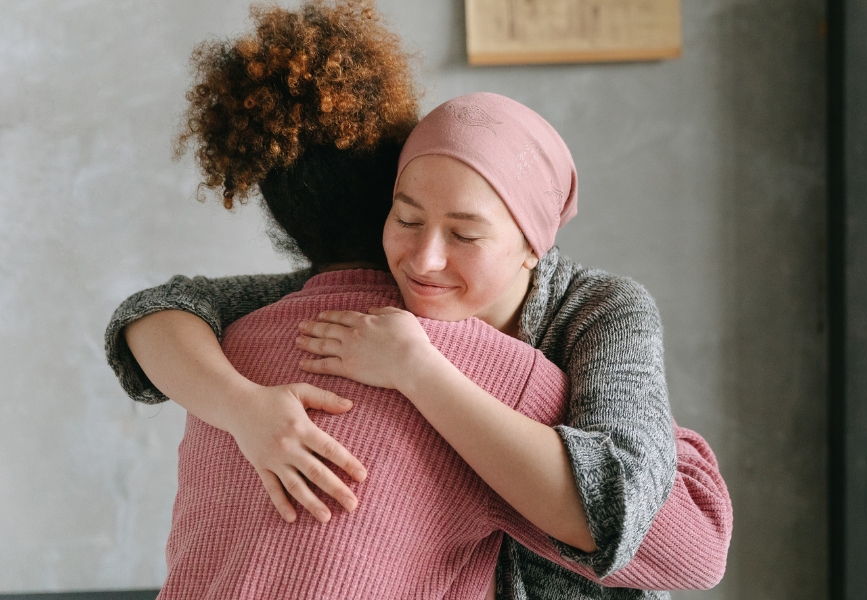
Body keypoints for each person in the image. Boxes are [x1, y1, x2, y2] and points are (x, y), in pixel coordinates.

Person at [104, 2, 730, 598]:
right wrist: (245, 409)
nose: (425, 259)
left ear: (532, 245)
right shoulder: (357, 304)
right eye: (406, 219)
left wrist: (419, 371)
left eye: (465, 234)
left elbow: (643, 516)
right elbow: (161, 309)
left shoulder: (599, 312)